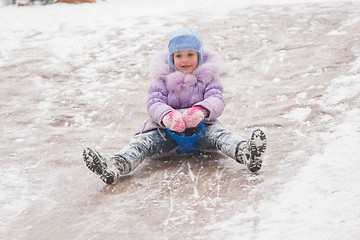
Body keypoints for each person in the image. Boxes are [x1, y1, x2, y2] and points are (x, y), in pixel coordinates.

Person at [83, 28, 267, 185]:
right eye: (179, 55)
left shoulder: (209, 78)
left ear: (199, 56)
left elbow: (217, 99)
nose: (184, 60)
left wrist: (200, 111)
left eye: (190, 55)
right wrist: (167, 116)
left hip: (203, 129)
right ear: (171, 58)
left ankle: (246, 153)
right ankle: (115, 166)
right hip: (165, 132)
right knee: (142, 144)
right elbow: (154, 102)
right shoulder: (160, 79)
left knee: (222, 136)